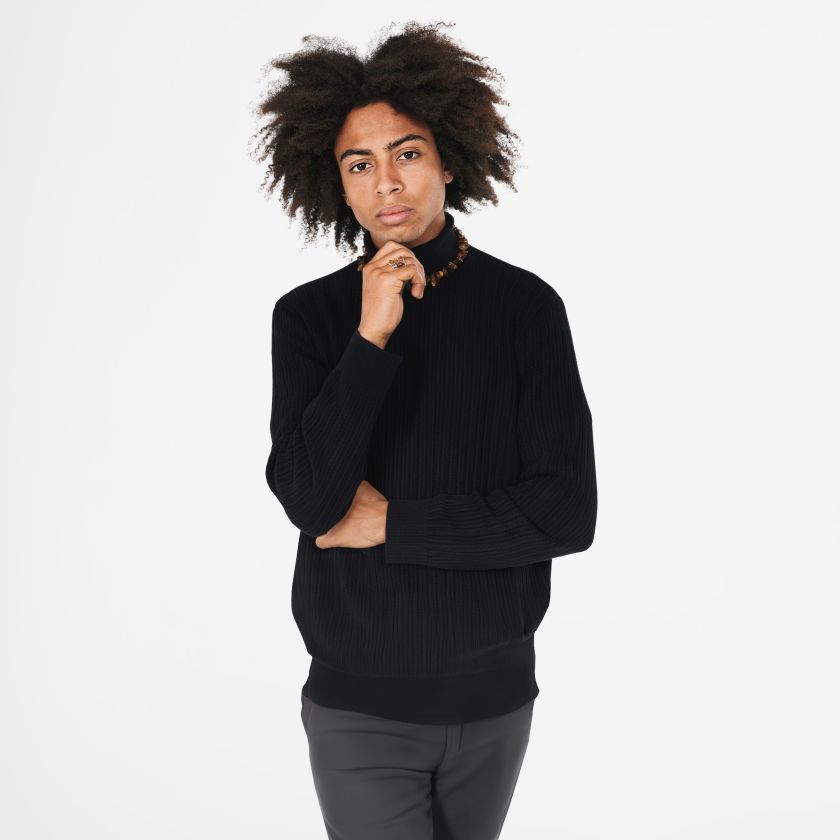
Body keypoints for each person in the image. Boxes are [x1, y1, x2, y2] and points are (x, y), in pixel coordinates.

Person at [250, 20, 597, 840]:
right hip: (359, 711)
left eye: (406, 153)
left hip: (496, 703)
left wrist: (393, 524)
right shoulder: (309, 318)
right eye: (358, 164)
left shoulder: (524, 309)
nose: (386, 183)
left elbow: (566, 514)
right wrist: (370, 337)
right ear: (337, 186)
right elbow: (310, 502)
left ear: (447, 161)